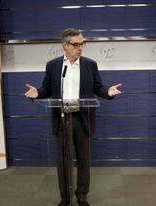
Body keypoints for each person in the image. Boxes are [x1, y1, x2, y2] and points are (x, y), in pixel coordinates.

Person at [25, 28, 122, 206]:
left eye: (82, 44)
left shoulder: (89, 65)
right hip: (62, 118)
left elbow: (98, 88)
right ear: (64, 45)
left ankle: (82, 195)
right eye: (76, 44)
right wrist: (37, 92)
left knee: (84, 160)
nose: (80, 48)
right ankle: (65, 198)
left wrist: (108, 92)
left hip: (82, 118)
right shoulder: (53, 66)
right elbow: (47, 89)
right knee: (63, 161)